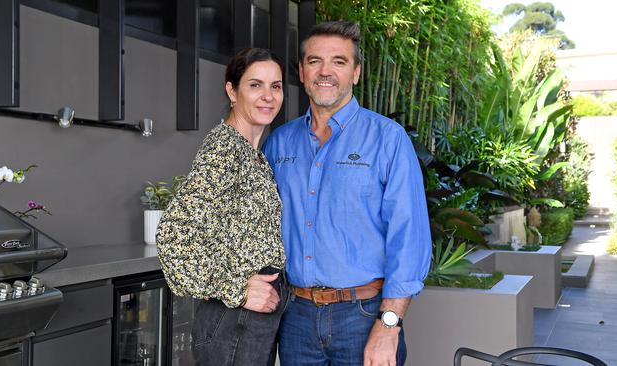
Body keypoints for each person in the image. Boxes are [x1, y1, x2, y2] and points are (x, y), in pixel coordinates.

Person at [262, 21, 432, 366]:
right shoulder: (280, 143)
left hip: (364, 315)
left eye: (338, 62)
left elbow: (409, 238)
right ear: (301, 71)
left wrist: (389, 324)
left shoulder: (388, 139)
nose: (325, 72)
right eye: (314, 61)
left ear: (355, 72)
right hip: (296, 317)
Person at [155, 48, 288, 365]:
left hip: (250, 319)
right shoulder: (225, 147)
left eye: (276, 86)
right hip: (235, 320)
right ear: (232, 90)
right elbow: (173, 235)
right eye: (255, 85)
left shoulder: (253, 153)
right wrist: (235, 289)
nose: (268, 96)